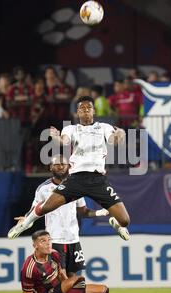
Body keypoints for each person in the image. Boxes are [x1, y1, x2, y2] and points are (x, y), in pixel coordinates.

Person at [8, 96, 131, 241]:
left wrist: (121, 133)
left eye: (88, 108)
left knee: (125, 221)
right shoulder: (71, 129)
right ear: (77, 113)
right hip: (76, 179)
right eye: (82, 108)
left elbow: (115, 141)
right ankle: (25, 223)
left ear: (94, 111)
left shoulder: (104, 127)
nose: (85, 110)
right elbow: (63, 141)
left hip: (98, 180)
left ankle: (115, 222)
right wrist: (55, 138)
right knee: (47, 207)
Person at [14, 155, 110, 277]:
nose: (60, 167)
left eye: (63, 164)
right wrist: (26, 219)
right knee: (60, 278)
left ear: (69, 167)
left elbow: (83, 211)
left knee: (75, 280)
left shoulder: (76, 186)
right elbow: (34, 209)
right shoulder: (43, 188)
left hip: (74, 239)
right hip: (55, 240)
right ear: (50, 167)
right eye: (56, 164)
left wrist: (100, 212)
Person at [20, 230, 109, 293]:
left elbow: (61, 274)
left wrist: (73, 290)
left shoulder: (54, 254)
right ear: (35, 245)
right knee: (78, 279)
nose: (48, 243)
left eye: (49, 240)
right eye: (43, 241)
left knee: (103, 290)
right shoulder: (29, 268)